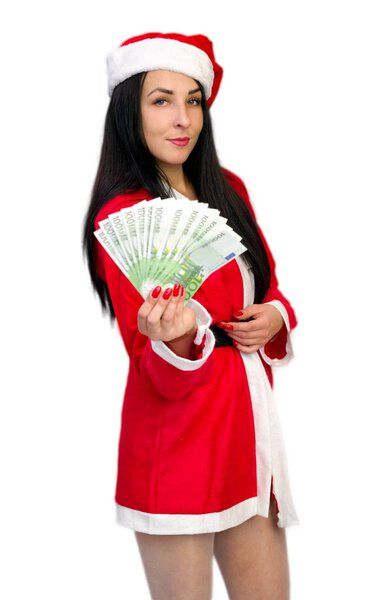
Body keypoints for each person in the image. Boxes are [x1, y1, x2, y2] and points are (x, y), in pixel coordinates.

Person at [82, 32, 300, 600]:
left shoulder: (230, 190)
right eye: (161, 100)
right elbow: (148, 362)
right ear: (131, 111)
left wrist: (276, 315)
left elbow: (268, 286)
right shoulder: (125, 214)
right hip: (174, 443)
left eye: (193, 100)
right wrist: (173, 340)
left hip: (245, 433)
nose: (182, 118)